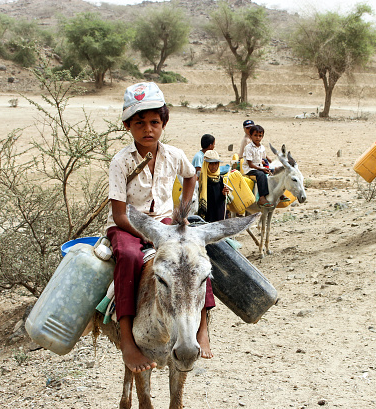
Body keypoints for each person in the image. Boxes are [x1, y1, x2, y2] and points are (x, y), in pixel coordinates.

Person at [105, 82, 215, 374]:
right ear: (128, 126)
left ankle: (202, 327)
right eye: (139, 123)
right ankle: (128, 340)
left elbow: (191, 176)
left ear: (163, 123)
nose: (147, 129)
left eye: (154, 122)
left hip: (166, 225)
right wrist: (150, 236)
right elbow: (118, 214)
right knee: (128, 259)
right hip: (128, 227)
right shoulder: (120, 161)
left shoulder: (173, 154)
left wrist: (182, 210)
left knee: (196, 257)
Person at [242, 124, 290, 208]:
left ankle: (279, 193)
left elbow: (264, 158)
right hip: (250, 169)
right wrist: (262, 169)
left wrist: (271, 165)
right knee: (261, 175)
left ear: (262, 137)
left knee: (275, 172)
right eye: (255, 135)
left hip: (259, 166)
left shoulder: (262, 147)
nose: (258, 137)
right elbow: (250, 164)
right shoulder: (248, 148)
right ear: (250, 136)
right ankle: (262, 197)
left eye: (260, 136)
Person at [197, 150, 230, 222]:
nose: (214, 166)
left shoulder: (219, 178)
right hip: (208, 214)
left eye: (216, 163)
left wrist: (224, 193)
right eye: (211, 164)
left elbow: (221, 198)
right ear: (206, 164)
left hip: (219, 213)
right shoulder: (201, 179)